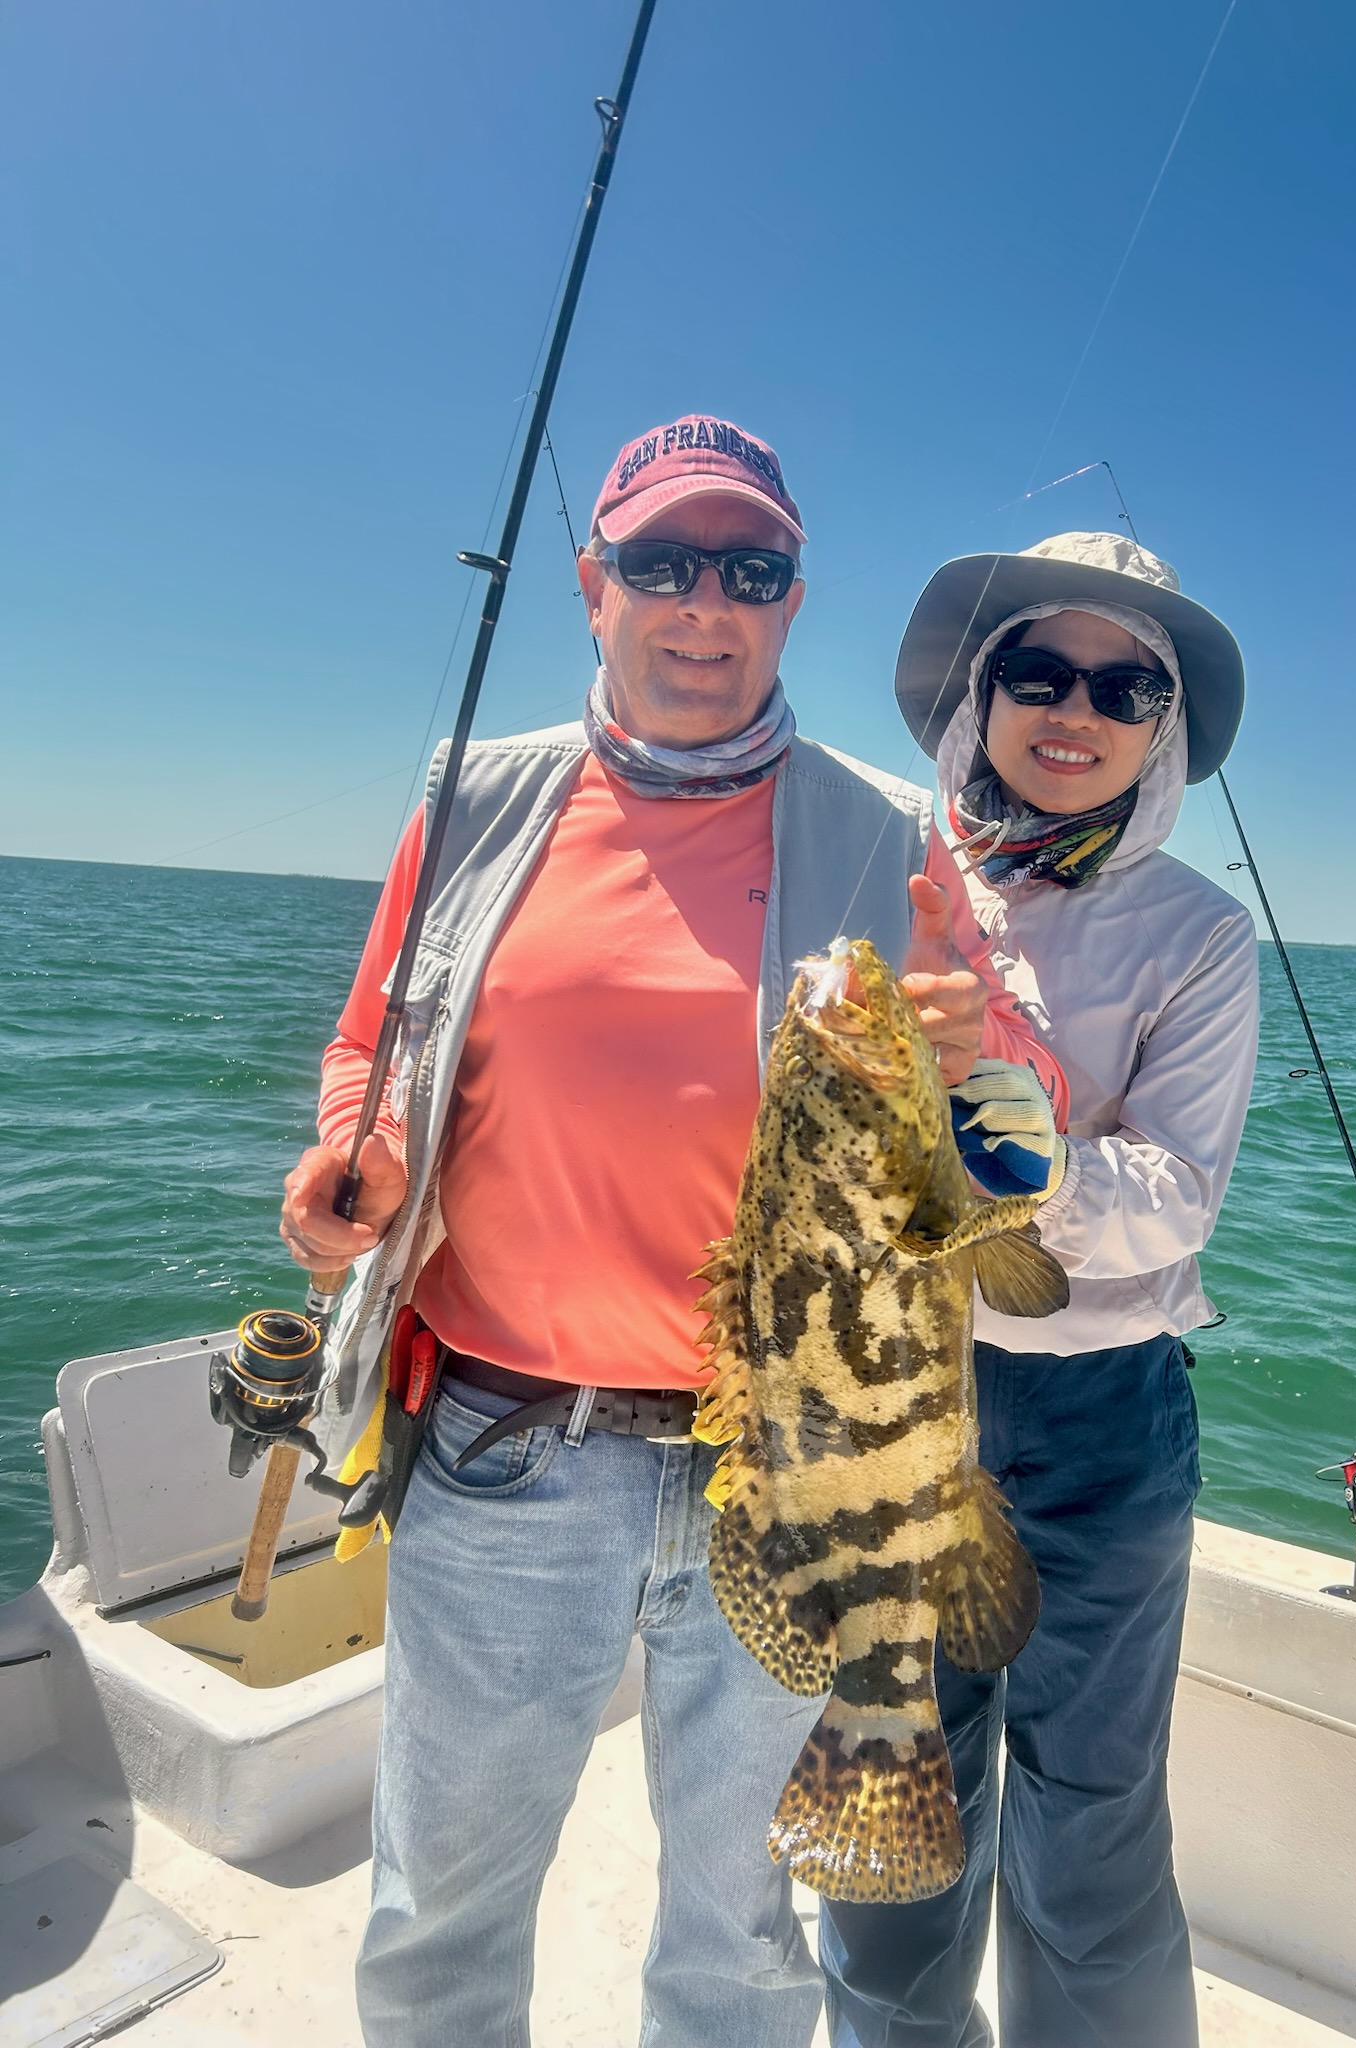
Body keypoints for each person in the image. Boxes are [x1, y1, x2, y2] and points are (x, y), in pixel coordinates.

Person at [277, 416, 1069, 2048]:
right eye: (661, 563)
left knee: (742, 1939)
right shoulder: (477, 801)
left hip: (791, 1473)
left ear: (792, 601)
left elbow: (1016, 1156)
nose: (703, 605)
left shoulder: (886, 836)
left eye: (750, 570)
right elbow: (371, 1040)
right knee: (442, 1907)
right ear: (592, 584)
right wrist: (357, 1153)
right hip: (506, 1457)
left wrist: (983, 1056)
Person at [819, 531, 1260, 2048]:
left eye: (1124, 685)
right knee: (893, 1782)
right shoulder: (872, 876)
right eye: (1039, 672)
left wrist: (1001, 1116)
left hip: (1101, 1418)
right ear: (982, 689)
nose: (1076, 710)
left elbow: (1178, 1197)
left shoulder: (1199, 936)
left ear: (1163, 726)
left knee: (1093, 1821)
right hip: (889, 1394)